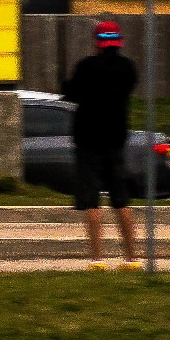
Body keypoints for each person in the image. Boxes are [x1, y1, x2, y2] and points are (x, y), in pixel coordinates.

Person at [61, 20, 140, 269]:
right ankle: (131, 258)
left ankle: (98, 259)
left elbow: (70, 93)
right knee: (121, 200)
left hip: (88, 141)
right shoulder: (128, 68)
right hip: (115, 141)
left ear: (97, 41)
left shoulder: (86, 67)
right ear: (119, 41)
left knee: (91, 201)